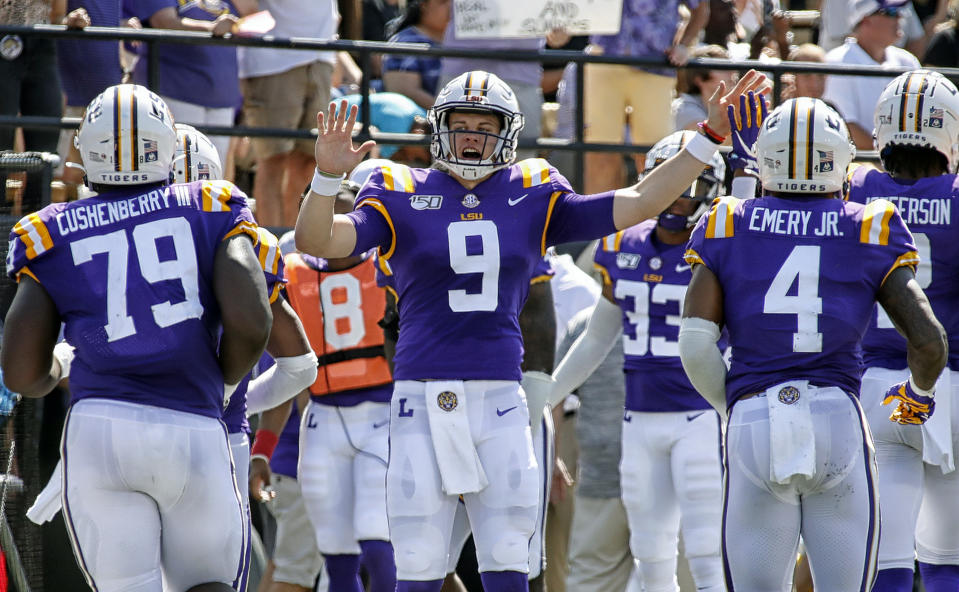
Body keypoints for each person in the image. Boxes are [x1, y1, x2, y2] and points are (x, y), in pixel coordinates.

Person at [294, 68, 768, 591]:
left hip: (500, 396)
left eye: (484, 123)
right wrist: (325, 179)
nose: (471, 134)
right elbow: (321, 241)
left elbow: (639, 203)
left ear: (508, 133)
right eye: (461, 122)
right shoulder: (399, 187)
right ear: (438, 127)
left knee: (507, 560)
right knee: (419, 562)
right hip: (418, 401)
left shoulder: (532, 189)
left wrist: (711, 138)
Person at [1, 84, 272, 592]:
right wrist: (221, 380)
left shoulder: (50, 229)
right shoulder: (208, 203)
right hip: (191, 424)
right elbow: (252, 321)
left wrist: (59, 365)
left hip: (100, 430)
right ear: (166, 143)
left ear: (85, 148)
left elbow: (20, 372)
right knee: (209, 585)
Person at [677, 94, 948, 590]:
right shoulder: (870, 223)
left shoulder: (726, 219)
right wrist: (918, 399)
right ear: (841, 159)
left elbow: (696, 346)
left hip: (755, 415)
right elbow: (929, 341)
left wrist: (733, 407)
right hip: (838, 416)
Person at [551, 131, 727, 592]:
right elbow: (595, 341)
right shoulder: (620, 245)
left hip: (702, 418)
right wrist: (544, 397)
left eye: (689, 188)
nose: (676, 199)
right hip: (640, 418)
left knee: (708, 555)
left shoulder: (721, 244)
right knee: (652, 555)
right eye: (668, 184)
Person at [172, 123, 317, 592]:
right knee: (217, 576)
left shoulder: (103, 234)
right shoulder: (251, 243)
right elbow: (298, 365)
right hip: (218, 434)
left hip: (125, 426)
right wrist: (230, 398)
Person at [845, 69, 959, 592]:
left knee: (886, 565)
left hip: (878, 392)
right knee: (946, 564)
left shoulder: (857, 187)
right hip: (951, 386)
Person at [285, 183, 397, 592]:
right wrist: (266, 442)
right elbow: (289, 369)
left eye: (344, 216)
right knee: (335, 553)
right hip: (322, 418)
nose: (334, 226)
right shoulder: (291, 269)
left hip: (383, 413)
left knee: (377, 538)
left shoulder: (388, 265)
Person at [582, 0, 709, 195]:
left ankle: (651, 223)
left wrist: (684, 46)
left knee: (654, 155)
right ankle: (600, 221)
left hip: (656, 64)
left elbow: (701, 8)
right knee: (600, 151)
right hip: (603, 59)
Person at [239, 0, 339, 227]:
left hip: (321, 56)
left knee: (308, 161)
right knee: (274, 159)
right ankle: (272, 250)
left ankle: (294, 247)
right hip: (274, 60)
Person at [124, 0, 258, 162]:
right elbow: (163, 21)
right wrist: (212, 28)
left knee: (215, 172)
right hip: (175, 92)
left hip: (222, 97)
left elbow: (253, 12)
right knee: (178, 170)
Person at [822, 0, 920, 149]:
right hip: (861, 166)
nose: (900, 17)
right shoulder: (837, 61)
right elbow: (846, 127)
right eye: (891, 13)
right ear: (865, 19)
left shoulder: (908, 61)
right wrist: (889, 161)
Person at [382, 0, 451, 109]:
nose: (451, 7)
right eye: (443, 2)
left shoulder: (462, 42)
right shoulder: (404, 41)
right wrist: (448, 113)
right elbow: (404, 91)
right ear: (423, 5)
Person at [672, 46, 739, 132]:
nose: (733, 73)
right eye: (723, 68)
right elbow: (712, 137)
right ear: (699, 79)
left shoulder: (726, 106)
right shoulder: (685, 109)